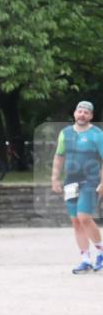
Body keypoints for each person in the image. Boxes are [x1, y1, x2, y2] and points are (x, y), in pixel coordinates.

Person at [51, 100, 103, 274]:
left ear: (91, 116)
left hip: (91, 180)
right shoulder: (65, 133)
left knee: (84, 217)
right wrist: (55, 178)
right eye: (80, 111)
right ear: (74, 113)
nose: (82, 114)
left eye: (86, 112)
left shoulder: (97, 134)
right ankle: (85, 259)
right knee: (75, 221)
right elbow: (59, 156)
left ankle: (101, 253)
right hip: (70, 182)